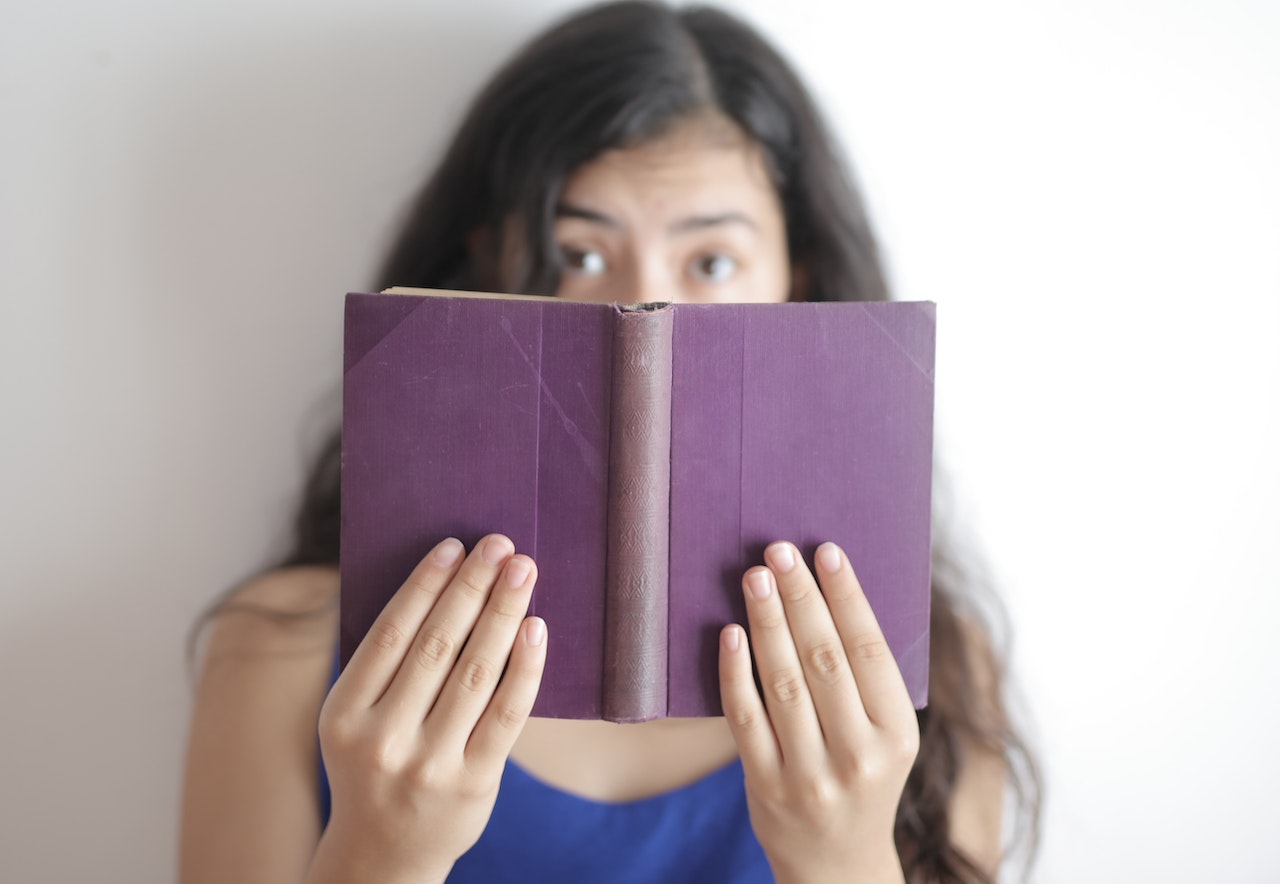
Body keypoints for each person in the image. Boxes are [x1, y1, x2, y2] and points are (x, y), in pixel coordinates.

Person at [180, 2, 1041, 882]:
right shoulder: (283, 649)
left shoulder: (926, 674)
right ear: (491, 262)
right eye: (580, 254)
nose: (642, 311)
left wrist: (844, 857)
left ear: (799, 282)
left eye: (711, 262)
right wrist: (380, 849)